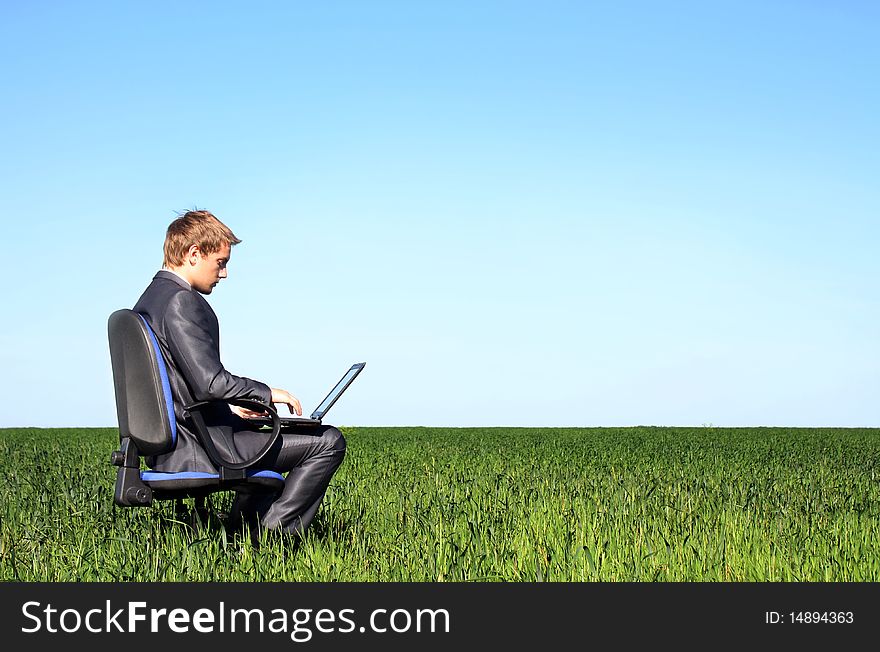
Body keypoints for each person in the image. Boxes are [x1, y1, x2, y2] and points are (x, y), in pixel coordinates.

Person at [133, 209, 346, 539]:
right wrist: (269, 393)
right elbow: (210, 382)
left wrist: (231, 408)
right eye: (220, 262)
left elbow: (176, 384)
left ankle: (240, 533)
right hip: (203, 447)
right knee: (328, 441)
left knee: (260, 438)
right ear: (193, 254)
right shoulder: (181, 301)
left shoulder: (149, 300)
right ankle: (272, 537)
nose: (225, 273)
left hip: (178, 443)